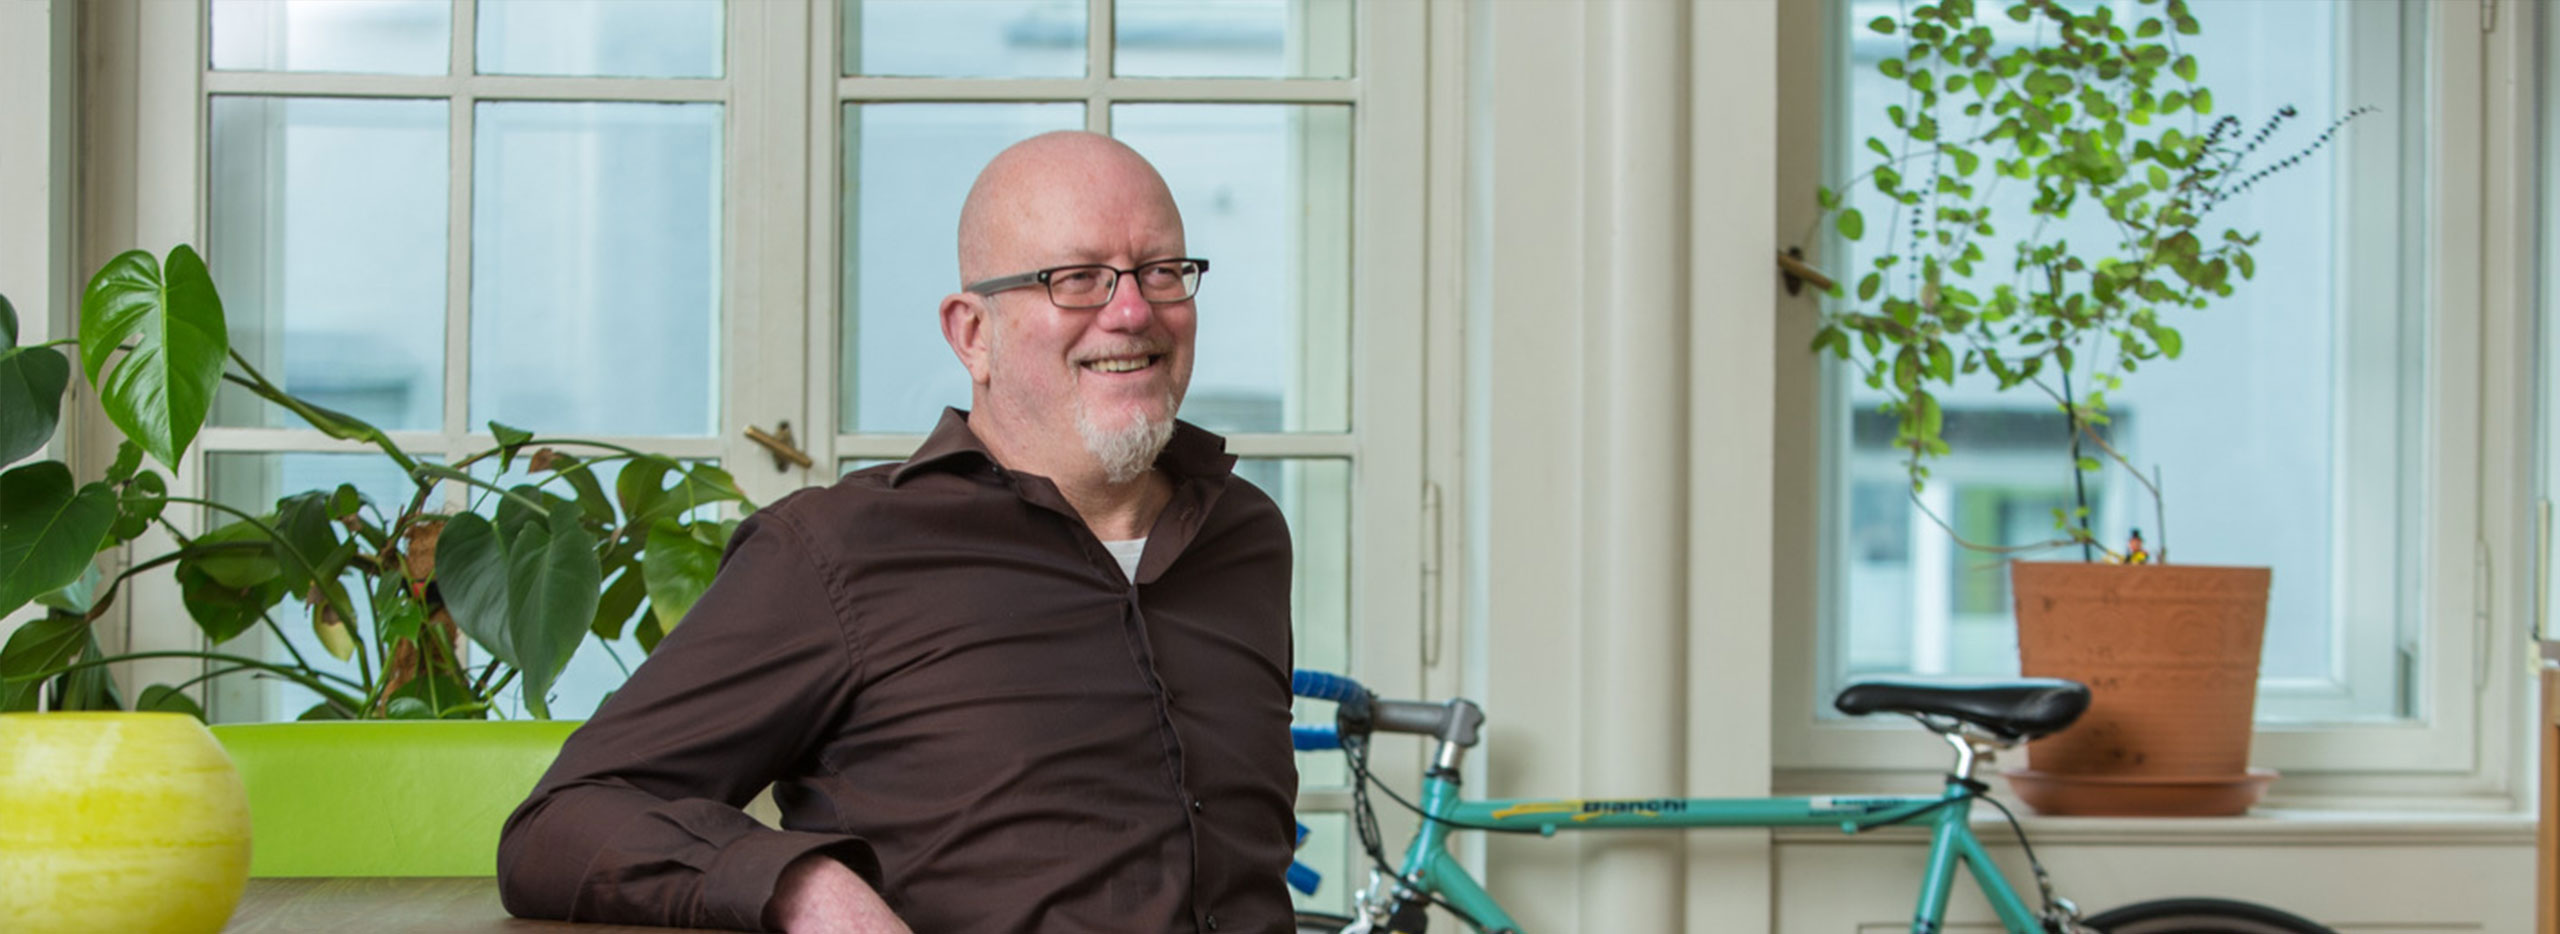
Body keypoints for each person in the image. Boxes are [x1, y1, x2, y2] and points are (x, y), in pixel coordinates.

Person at [497, 131, 1299, 934]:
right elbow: (561, 824)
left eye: (1162, 272)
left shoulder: (1245, 535)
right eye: (1078, 279)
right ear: (971, 334)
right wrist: (801, 886)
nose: (1132, 311)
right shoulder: (836, 551)